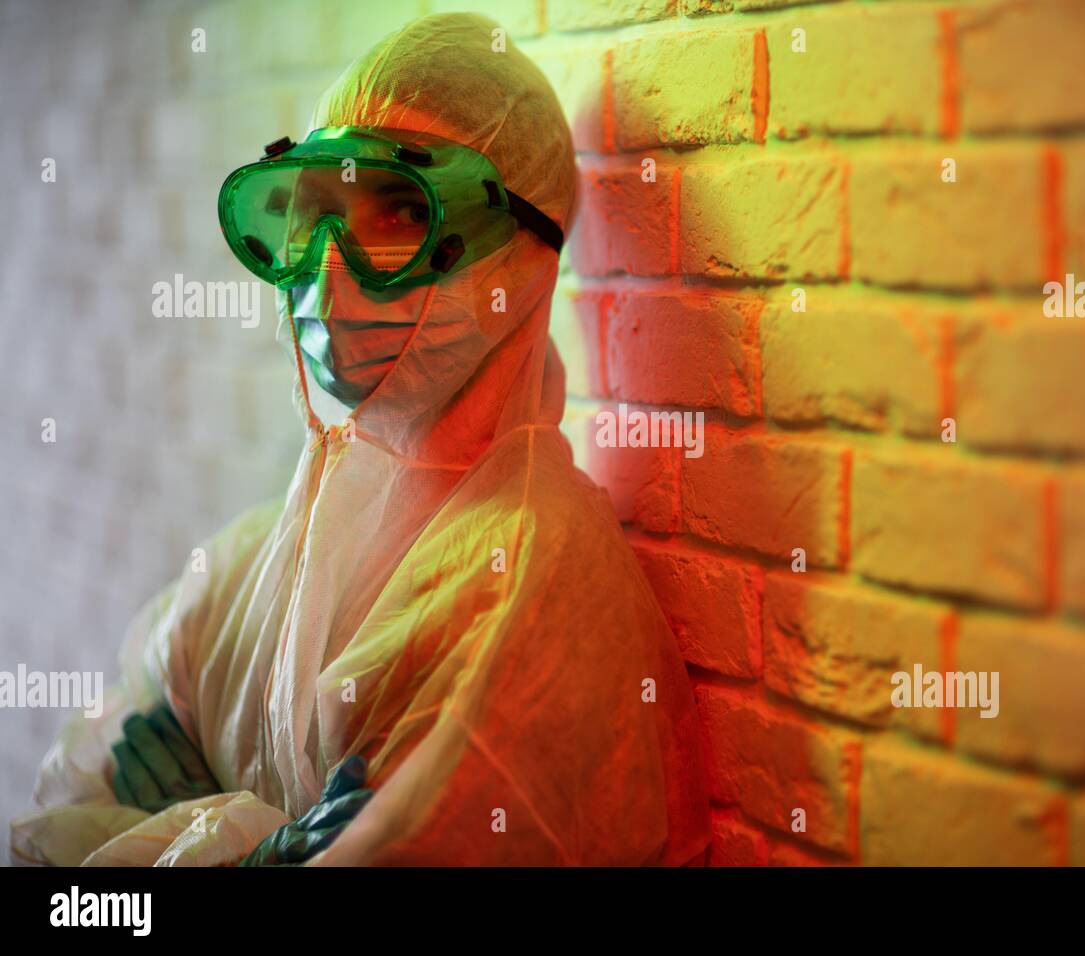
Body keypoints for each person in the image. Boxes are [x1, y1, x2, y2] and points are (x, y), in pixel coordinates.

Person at [11, 13, 710, 867]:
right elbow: (64, 825)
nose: (329, 266)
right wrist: (255, 844)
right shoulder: (263, 558)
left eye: (398, 213)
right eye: (315, 216)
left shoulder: (527, 589)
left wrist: (205, 823)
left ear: (517, 257)